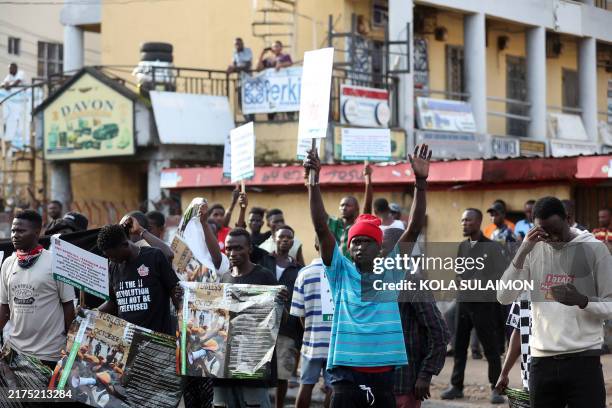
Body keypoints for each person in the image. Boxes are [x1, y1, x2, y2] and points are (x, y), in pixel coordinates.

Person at [303, 144, 431, 407]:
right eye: (355, 242)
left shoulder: (392, 269)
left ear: (380, 246)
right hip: (345, 372)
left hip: (384, 373)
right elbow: (320, 225)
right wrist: (313, 181)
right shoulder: (340, 272)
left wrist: (420, 182)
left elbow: (415, 227)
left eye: (366, 241)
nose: (359, 247)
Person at [498, 196, 612, 408]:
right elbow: (503, 296)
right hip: (542, 363)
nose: (551, 239)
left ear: (569, 219)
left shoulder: (596, 250)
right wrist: (523, 250)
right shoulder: (532, 250)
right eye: (544, 233)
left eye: (556, 231)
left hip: (584, 361)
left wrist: (583, 301)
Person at [441, 208, 506, 404]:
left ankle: (496, 389)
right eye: (462, 220)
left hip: (484, 306)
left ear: (478, 222)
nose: (464, 223)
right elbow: (459, 273)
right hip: (464, 304)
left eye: (468, 220)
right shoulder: (463, 246)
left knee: (491, 350)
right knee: (459, 347)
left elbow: (500, 277)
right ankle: (456, 386)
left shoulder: (492, 248)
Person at [214, 228, 281, 408]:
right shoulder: (224, 279)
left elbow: (279, 320)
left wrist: (281, 302)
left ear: (250, 249)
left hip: (253, 364)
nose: (232, 253)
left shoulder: (264, 276)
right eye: (228, 248)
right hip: (225, 364)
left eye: (238, 248)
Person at [0, 210, 75, 369]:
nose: (15, 235)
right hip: (15, 352)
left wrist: (71, 348)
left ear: (36, 232)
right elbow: (4, 307)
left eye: (21, 231)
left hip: (49, 354)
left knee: (43, 395)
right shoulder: (8, 263)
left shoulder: (56, 262)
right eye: (13, 230)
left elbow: (68, 306)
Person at [96, 224, 181, 335]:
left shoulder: (154, 257)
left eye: (114, 256)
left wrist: (182, 329)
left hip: (159, 339)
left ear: (125, 244)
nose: (112, 260)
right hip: (128, 341)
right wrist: (91, 313)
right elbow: (112, 302)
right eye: (109, 257)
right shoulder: (113, 266)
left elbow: (174, 292)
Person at [394, 267, 450, 408]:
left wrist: (426, 373)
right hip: (372, 386)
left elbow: (439, 332)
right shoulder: (365, 281)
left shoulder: (412, 282)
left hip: (403, 384)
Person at [290, 242, 333, 408]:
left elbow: (300, 313)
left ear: (315, 245)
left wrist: (310, 330)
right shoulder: (343, 272)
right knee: (333, 387)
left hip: (312, 343)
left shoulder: (304, 273)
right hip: (336, 345)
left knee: (306, 384)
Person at [268, 225, 303, 408]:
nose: (285, 240)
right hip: (263, 325)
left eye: (289, 238)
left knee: (283, 373)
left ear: (293, 241)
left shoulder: (298, 269)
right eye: (281, 237)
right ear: (274, 238)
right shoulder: (265, 261)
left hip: (287, 328)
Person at [326, 163, 373, 257]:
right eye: (342, 205)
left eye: (348, 205)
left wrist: (368, 178)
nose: (344, 208)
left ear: (357, 209)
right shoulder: (333, 223)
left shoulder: (359, 225)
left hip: (354, 269)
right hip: (335, 270)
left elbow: (367, 205)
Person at [494, 292, 532, 393]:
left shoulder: (570, 290)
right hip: (532, 372)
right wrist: (504, 373)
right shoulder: (525, 292)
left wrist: (504, 373)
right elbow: (518, 333)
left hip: (570, 369)